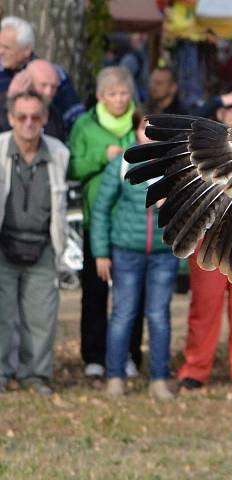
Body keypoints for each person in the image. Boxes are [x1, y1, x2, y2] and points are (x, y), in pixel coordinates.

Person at [90, 109, 178, 400]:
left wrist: (173, 201)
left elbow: (191, 209)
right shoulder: (122, 163)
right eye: (146, 129)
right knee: (122, 314)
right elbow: (101, 209)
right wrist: (101, 253)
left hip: (164, 253)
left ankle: (159, 379)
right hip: (126, 252)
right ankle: (115, 376)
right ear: (136, 132)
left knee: (159, 316)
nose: (151, 136)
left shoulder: (175, 166)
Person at [177, 82, 232, 391]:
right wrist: (214, 99)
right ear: (218, 111)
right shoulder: (202, 143)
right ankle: (195, 369)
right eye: (230, 107)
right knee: (204, 307)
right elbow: (190, 120)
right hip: (209, 236)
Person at [69, 66, 143, 380]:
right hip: (96, 223)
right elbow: (73, 165)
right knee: (95, 292)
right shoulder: (85, 125)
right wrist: (103, 156)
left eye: (124, 93)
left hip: (131, 224)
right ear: (100, 96)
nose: (118, 99)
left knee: (131, 295)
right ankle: (94, 355)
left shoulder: (140, 124)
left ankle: (130, 353)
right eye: (112, 94)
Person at [0, 89, 69, 396]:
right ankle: (1, 373)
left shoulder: (58, 152)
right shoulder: (0, 148)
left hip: (42, 245)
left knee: (41, 317)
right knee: (2, 316)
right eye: (22, 117)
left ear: (44, 119)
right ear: (10, 118)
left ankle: (36, 376)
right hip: (4, 246)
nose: (29, 123)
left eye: (35, 117)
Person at [0, 16, 85, 132]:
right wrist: (8, 98)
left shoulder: (53, 74)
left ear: (27, 49)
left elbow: (76, 119)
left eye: (7, 48)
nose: (1, 52)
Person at [1, 59, 66, 141]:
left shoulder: (54, 113)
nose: (49, 92)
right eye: (43, 85)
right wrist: (10, 102)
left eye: (53, 87)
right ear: (26, 83)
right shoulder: (3, 104)